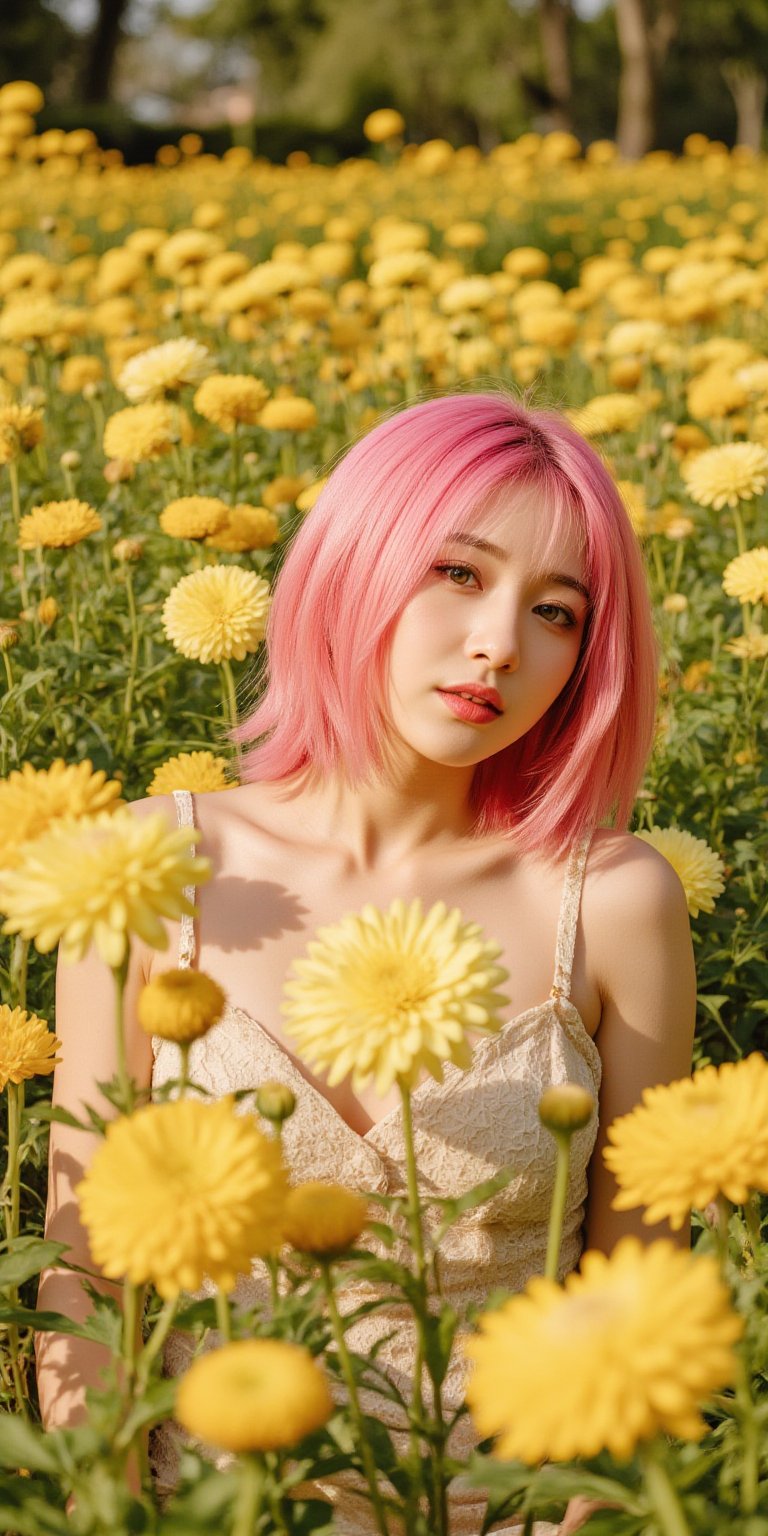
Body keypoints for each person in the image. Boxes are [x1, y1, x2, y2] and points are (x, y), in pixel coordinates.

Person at [37, 390, 697, 1534]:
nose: (500, 643)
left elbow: (638, 1303)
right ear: (354, 559)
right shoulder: (147, 864)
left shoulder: (616, 903)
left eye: (557, 611)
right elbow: (83, 1272)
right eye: (457, 573)